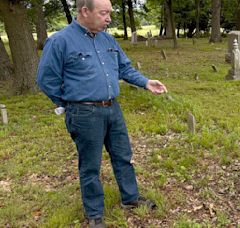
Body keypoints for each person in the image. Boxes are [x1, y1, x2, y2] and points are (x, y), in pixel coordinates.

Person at [36, 0, 167, 227]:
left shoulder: (108, 39)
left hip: (112, 109)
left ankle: (131, 198)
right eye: (104, 13)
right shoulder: (60, 41)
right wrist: (68, 103)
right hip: (84, 113)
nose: (109, 18)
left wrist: (146, 82)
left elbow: (124, 68)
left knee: (123, 156)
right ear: (85, 11)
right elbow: (46, 79)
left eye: (110, 13)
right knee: (90, 166)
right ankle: (94, 215)